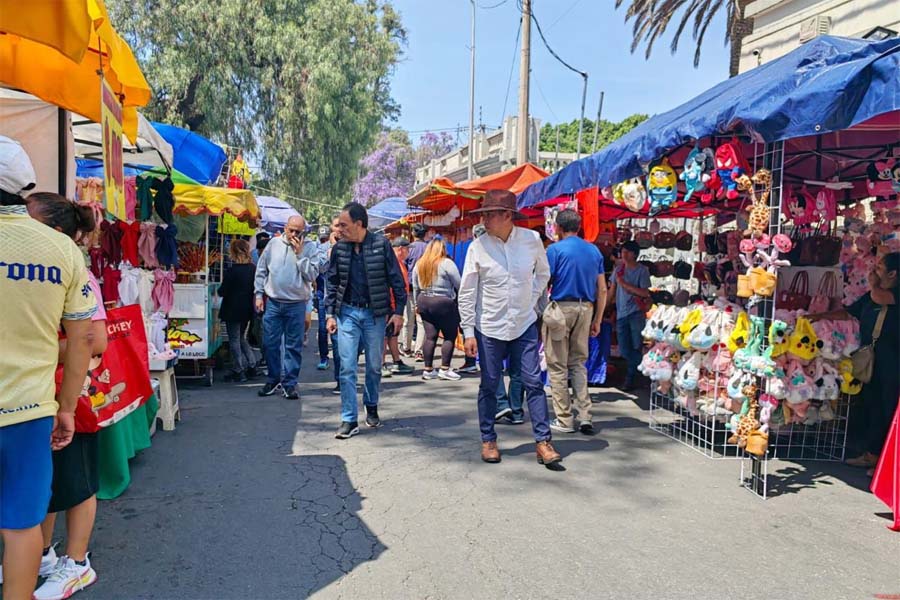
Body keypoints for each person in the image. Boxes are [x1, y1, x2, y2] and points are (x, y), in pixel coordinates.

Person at [0, 137, 96, 600]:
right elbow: (83, 338)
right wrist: (67, 407)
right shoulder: (61, 250)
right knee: (22, 526)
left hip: (32, 410)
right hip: (29, 410)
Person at [23, 193, 106, 600]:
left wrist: (36, 344)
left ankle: (77, 562)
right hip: (34, 390)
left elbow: (95, 339)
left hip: (70, 393)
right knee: (44, 482)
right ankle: (39, 553)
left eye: (29, 219)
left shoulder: (77, 273)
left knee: (76, 481)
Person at [458, 189, 560, 466]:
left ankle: (543, 442)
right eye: (484, 214)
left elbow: (543, 273)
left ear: (507, 216)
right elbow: (467, 291)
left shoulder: (531, 240)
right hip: (488, 325)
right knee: (490, 384)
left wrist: (533, 296)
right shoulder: (477, 246)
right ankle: (489, 439)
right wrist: (468, 331)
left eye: (490, 214)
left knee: (533, 382)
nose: (485, 220)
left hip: (524, 322)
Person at [811, 252, 899, 471]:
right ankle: (872, 454)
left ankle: (889, 464)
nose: (873, 270)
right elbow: (849, 313)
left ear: (893, 273)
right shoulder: (871, 296)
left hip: (894, 363)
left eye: (879, 267)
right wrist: (820, 317)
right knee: (872, 407)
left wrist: (872, 284)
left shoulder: (890, 293)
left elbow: (881, 298)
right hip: (871, 361)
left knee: (889, 411)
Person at [326, 203, 407, 439]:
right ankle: (349, 419)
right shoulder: (339, 249)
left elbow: (396, 280)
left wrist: (399, 311)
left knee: (374, 366)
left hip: (375, 315)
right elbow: (331, 282)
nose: (339, 229)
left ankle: (371, 404)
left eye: (344, 224)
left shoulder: (381, 245)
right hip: (347, 314)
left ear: (359, 224)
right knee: (347, 366)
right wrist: (330, 313)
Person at [543, 209, 608, 436]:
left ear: (558, 228)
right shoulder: (593, 251)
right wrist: (597, 318)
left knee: (558, 365)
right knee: (579, 363)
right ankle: (585, 416)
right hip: (586, 308)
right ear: (579, 227)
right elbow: (602, 288)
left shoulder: (554, 250)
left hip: (561, 308)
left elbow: (544, 281)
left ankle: (564, 418)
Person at [254, 215, 326, 400]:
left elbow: (311, 275)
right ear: (285, 228)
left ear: (304, 232)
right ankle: (273, 379)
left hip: (296, 304)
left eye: (298, 232)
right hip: (274, 303)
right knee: (270, 344)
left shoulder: (310, 248)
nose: (294, 234)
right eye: (291, 230)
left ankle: (290, 383)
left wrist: (300, 254)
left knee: (293, 346)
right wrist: (258, 294)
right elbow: (262, 270)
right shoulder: (273, 244)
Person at [412, 239, 462, 381]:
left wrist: (417, 303)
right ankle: (445, 368)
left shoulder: (420, 264)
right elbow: (459, 284)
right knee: (449, 335)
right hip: (443, 302)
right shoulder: (446, 263)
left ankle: (428, 369)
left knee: (430, 336)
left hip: (424, 300)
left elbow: (415, 286)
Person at [608, 240, 650, 391]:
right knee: (625, 348)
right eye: (622, 252)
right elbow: (611, 292)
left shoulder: (642, 271)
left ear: (635, 254)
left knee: (636, 345)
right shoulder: (618, 270)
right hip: (621, 314)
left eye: (627, 252)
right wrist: (603, 308)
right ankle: (642, 367)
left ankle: (631, 377)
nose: (623, 255)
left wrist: (624, 284)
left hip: (636, 313)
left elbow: (645, 292)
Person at [219, 239, 258, 383]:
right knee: (241, 337)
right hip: (247, 309)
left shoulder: (232, 271)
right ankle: (252, 365)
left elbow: (223, 291)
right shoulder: (252, 269)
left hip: (232, 309)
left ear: (233, 252)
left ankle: (239, 369)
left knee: (234, 339)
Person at [383, 238, 414, 377]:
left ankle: (396, 361)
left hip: (396, 305)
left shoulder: (400, 263)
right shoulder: (391, 263)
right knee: (384, 336)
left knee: (393, 335)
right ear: (400, 248)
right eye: (407, 249)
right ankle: (381, 363)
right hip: (390, 305)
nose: (408, 252)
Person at [405, 223, 428, 360]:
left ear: (413, 233)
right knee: (421, 320)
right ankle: (419, 350)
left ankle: (407, 348)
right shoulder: (429, 248)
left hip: (410, 287)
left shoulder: (409, 248)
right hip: (425, 287)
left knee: (408, 319)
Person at [315, 225, 332, 370]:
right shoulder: (318, 250)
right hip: (321, 294)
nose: (324, 241)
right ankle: (323, 357)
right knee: (322, 328)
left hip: (334, 294)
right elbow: (320, 268)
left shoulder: (339, 248)